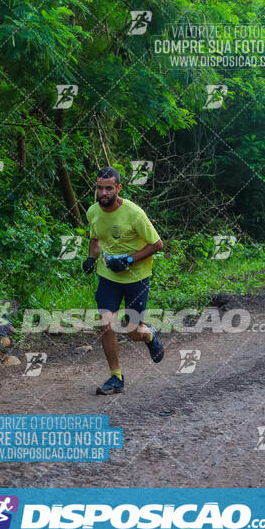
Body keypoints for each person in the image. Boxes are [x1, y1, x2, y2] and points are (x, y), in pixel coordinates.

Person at [83, 166, 164, 395]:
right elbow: (96, 239)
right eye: (100, 188)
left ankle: (149, 335)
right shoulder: (92, 212)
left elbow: (157, 245)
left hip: (136, 277)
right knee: (105, 324)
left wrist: (128, 260)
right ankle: (116, 377)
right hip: (108, 276)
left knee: (132, 330)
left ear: (118, 188)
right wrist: (91, 259)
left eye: (109, 188)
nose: (104, 193)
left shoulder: (134, 213)